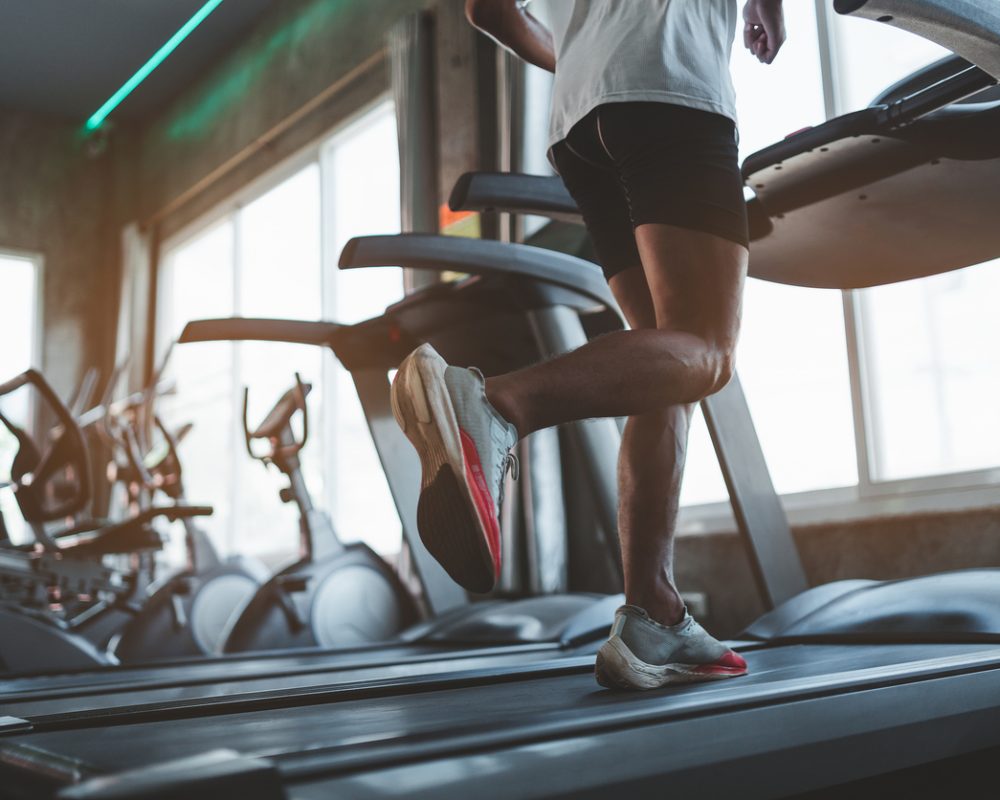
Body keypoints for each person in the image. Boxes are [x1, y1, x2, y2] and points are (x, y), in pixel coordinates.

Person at [391, 0, 787, 690]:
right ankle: (495, 404)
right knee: (707, 353)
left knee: (664, 361)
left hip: (578, 117)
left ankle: (651, 612)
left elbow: (487, 10)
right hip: (670, 83)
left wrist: (580, 58)